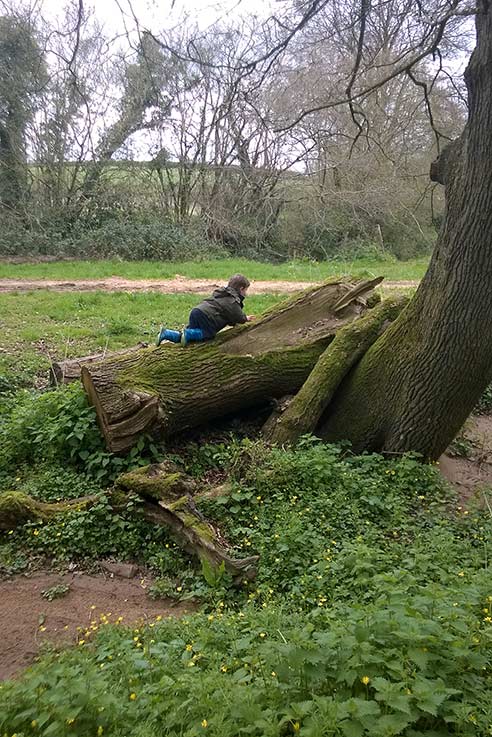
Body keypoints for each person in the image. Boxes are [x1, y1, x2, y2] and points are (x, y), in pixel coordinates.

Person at [157, 273, 254, 346]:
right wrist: (245, 318)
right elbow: (237, 316)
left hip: (197, 311)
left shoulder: (222, 293)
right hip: (207, 316)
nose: (246, 293)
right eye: (246, 290)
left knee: (192, 338)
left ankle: (167, 334)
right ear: (241, 289)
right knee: (207, 334)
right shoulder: (232, 300)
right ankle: (187, 334)